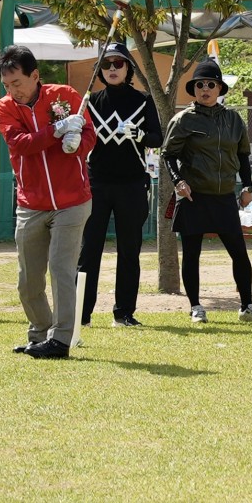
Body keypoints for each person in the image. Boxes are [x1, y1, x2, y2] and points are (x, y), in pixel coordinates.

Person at [0, 45, 96, 358]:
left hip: (73, 200)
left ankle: (61, 341)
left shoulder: (64, 96)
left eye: (18, 83)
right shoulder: (3, 108)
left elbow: (90, 135)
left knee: (61, 269)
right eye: (7, 85)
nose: (13, 91)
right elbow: (20, 144)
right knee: (28, 278)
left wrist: (76, 143)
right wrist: (56, 132)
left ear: (35, 75)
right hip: (31, 203)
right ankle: (40, 332)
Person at [162, 60, 252, 324]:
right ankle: (196, 307)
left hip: (224, 196)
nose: (205, 89)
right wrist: (178, 182)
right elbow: (169, 155)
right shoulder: (183, 119)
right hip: (194, 196)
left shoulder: (233, 119)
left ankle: (247, 306)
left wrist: (247, 185)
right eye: (200, 85)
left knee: (239, 253)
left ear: (220, 88)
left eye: (211, 84)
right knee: (192, 253)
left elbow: (243, 155)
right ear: (194, 89)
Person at [76, 43, 163, 328]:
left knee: (129, 250)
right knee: (89, 251)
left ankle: (124, 313)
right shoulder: (89, 102)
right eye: (106, 64)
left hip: (132, 184)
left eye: (118, 63)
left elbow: (157, 137)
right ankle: (81, 313)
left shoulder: (143, 100)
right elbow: (78, 140)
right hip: (95, 184)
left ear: (128, 69)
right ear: (100, 70)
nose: (112, 69)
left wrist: (138, 133)